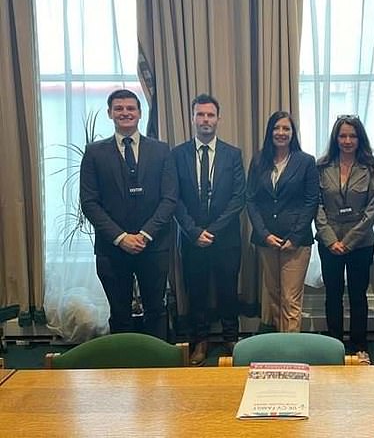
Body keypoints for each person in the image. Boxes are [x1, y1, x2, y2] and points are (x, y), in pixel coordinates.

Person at [80, 89, 177, 340]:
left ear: (140, 113)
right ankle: (123, 372)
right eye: (119, 108)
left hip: (154, 246)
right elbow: (89, 203)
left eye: (130, 108)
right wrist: (121, 237)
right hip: (112, 249)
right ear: (110, 113)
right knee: (120, 314)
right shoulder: (94, 153)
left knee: (156, 311)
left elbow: (169, 198)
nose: (125, 113)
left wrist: (145, 234)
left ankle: (158, 371)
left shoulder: (161, 150)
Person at [172, 94, 245, 365]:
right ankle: (200, 341)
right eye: (200, 114)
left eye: (210, 115)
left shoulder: (233, 154)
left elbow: (239, 197)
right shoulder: (178, 154)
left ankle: (230, 337)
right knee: (197, 291)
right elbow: (174, 198)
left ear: (218, 119)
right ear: (192, 118)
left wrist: (212, 230)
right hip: (191, 239)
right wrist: (193, 232)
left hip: (225, 238)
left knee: (228, 289)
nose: (205, 120)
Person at [315, 115, 374, 364]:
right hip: (328, 241)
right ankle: (334, 345)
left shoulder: (372, 168)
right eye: (342, 135)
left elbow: (372, 210)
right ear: (335, 138)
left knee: (357, 296)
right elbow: (317, 206)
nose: (347, 140)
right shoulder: (321, 167)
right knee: (332, 294)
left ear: (359, 138)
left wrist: (349, 241)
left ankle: (359, 346)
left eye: (352, 136)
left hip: (361, 243)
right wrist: (331, 240)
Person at [246, 111, 319, 332]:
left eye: (286, 128)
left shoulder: (306, 161)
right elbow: (250, 199)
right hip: (266, 241)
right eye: (277, 128)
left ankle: (292, 352)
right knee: (274, 296)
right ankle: (278, 346)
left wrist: (295, 237)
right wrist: (264, 233)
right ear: (270, 132)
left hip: (296, 243)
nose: (281, 133)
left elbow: (311, 201)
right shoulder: (259, 160)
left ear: (293, 133)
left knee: (290, 299)